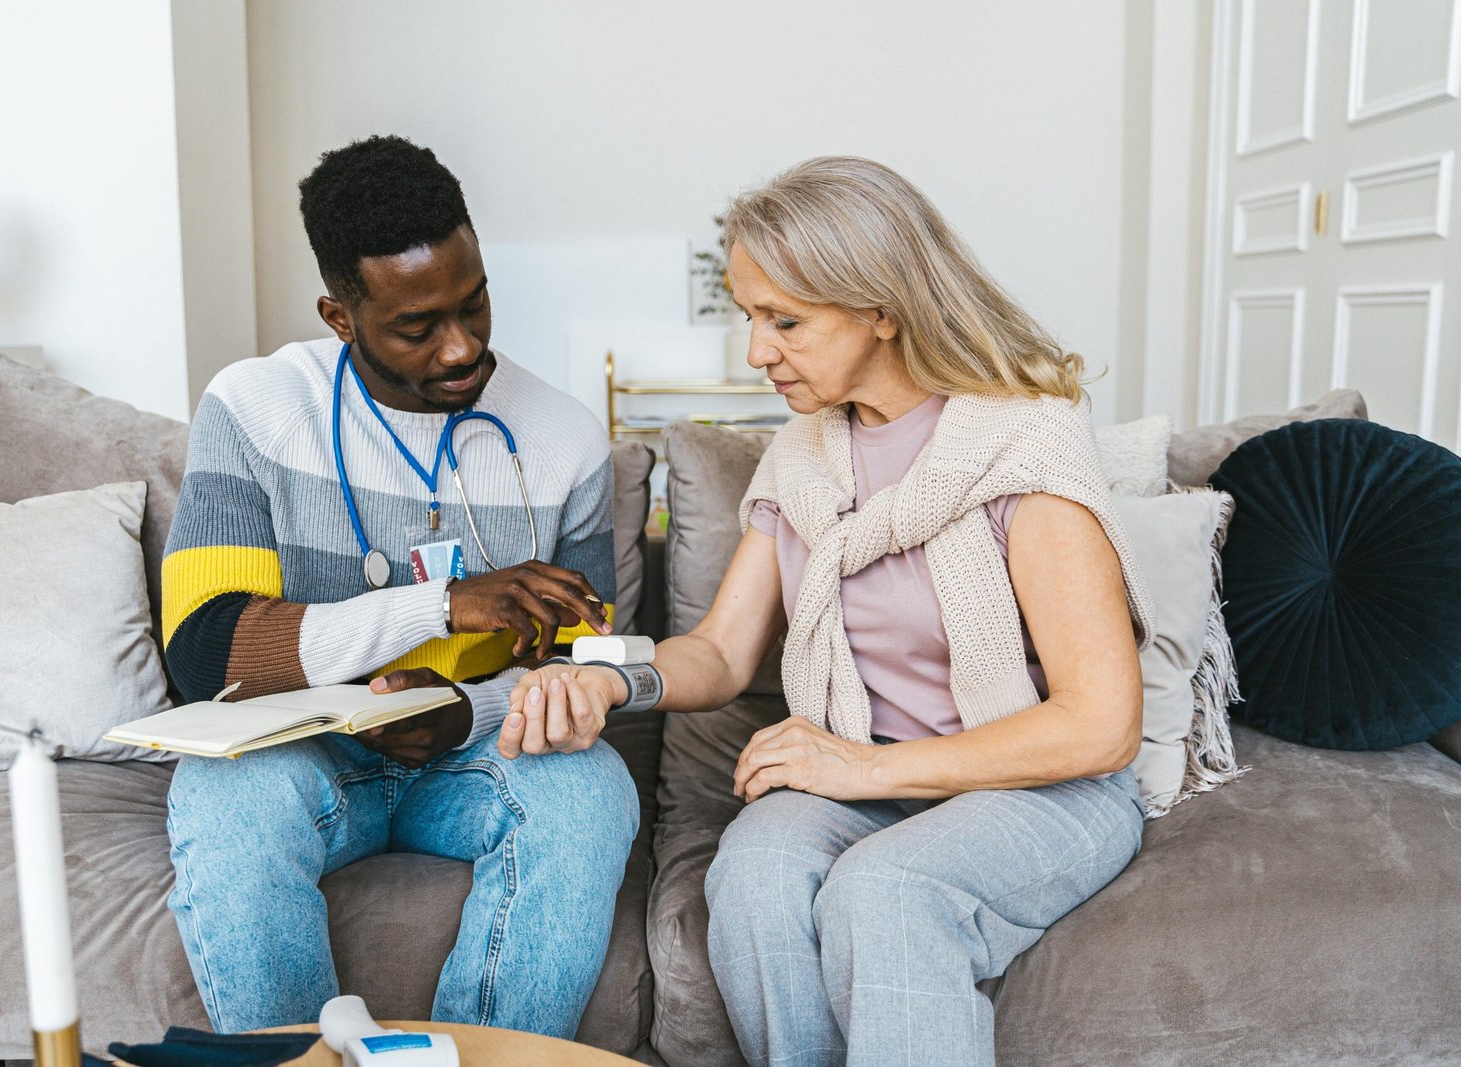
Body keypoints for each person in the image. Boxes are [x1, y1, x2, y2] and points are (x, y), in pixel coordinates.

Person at [504, 156, 1156, 1067]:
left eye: (785, 321)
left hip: (1037, 786)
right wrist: (611, 676)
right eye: (749, 317)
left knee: (885, 889)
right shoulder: (801, 457)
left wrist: (859, 768)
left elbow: (1102, 724)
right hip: (871, 776)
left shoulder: (1022, 445)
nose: (756, 351)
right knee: (756, 875)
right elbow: (723, 655)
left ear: (881, 308)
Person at [159, 135, 639, 1037]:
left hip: (471, 758)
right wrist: (443, 605)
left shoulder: (565, 438)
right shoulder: (255, 408)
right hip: (305, 758)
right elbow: (205, 653)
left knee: (591, 786)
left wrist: (465, 709)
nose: (462, 347)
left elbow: (588, 670)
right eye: (418, 327)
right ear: (340, 315)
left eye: (475, 303)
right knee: (226, 797)